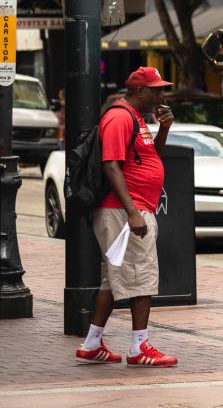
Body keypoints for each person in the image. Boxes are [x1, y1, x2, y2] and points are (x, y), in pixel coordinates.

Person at [75, 67, 178, 367]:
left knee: (112, 279)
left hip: (129, 208)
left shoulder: (138, 119)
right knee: (140, 277)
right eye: (156, 90)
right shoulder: (120, 117)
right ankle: (140, 347)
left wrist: (164, 129)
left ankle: (92, 343)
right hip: (125, 211)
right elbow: (111, 166)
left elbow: (150, 158)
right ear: (138, 92)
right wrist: (133, 211)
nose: (161, 94)